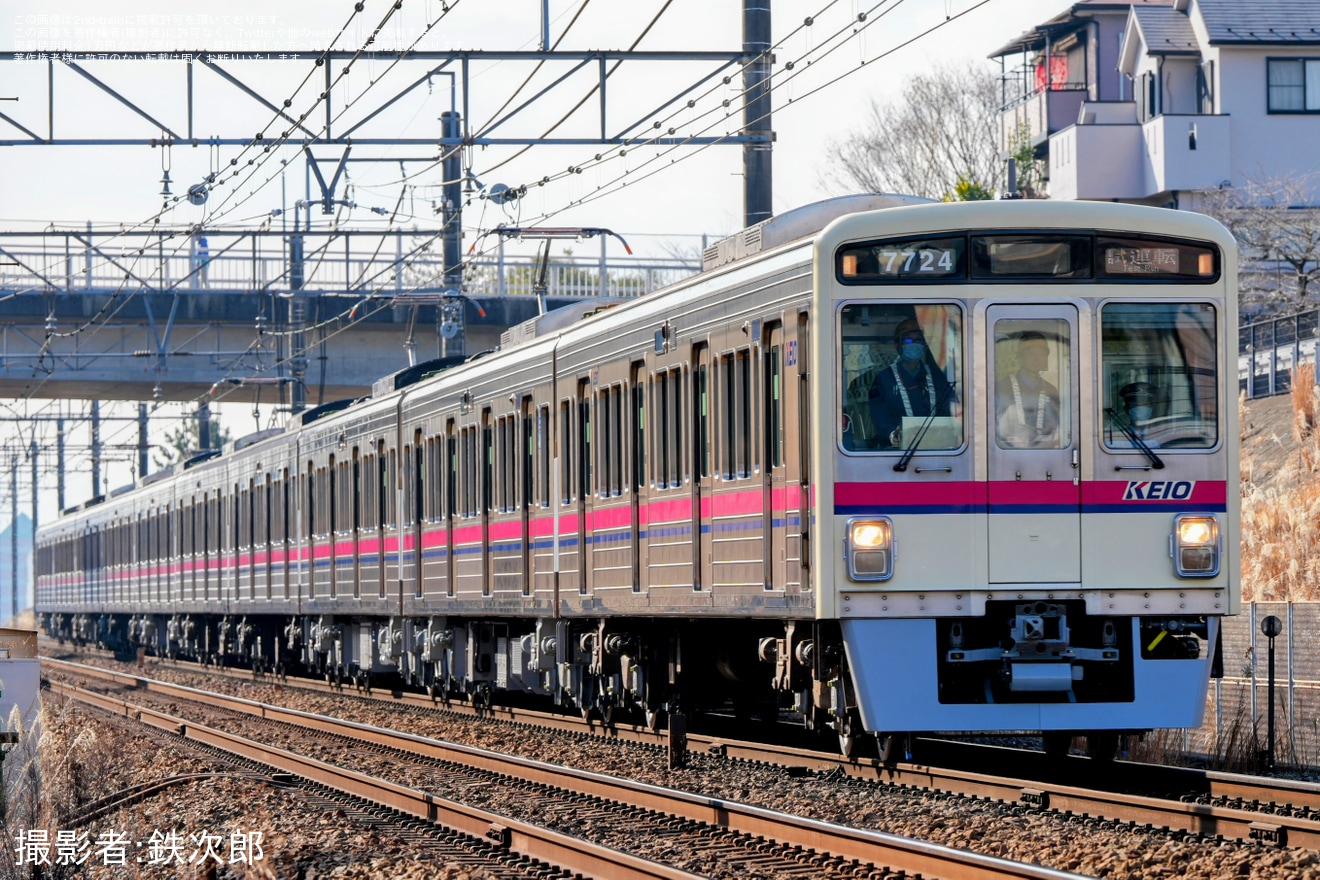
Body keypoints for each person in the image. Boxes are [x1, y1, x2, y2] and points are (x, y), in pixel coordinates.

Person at [868, 318, 955, 448]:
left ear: (925, 345)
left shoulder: (937, 376)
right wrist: (891, 434)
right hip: (897, 451)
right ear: (897, 345)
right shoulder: (883, 378)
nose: (913, 344)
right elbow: (879, 414)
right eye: (908, 340)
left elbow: (950, 409)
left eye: (918, 340)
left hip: (936, 447)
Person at [995, 332, 1062, 448]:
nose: (1036, 358)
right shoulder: (1002, 387)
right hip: (1008, 454)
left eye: (1041, 354)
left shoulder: (1051, 390)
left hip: (1045, 455)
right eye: (1031, 353)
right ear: (1020, 356)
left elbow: (1056, 429)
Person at [1118, 381, 1159, 446]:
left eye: (1145, 404)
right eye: (1135, 404)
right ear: (1126, 409)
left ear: (1152, 407)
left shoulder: (1161, 434)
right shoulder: (1118, 436)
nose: (1140, 408)